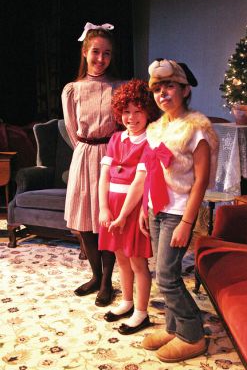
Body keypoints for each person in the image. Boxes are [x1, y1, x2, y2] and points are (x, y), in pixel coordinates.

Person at [139, 59, 219, 362]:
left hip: (178, 212)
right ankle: (173, 326)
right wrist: (143, 210)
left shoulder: (196, 128)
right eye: (157, 89)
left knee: (168, 276)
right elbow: (151, 171)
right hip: (156, 208)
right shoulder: (157, 128)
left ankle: (192, 335)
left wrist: (187, 221)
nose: (163, 93)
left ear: (185, 90)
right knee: (162, 271)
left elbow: (201, 181)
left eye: (169, 86)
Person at [62, 22, 123, 307]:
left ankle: (108, 281)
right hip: (84, 154)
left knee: (106, 221)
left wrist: (110, 155)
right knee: (84, 222)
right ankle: (96, 276)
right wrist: (87, 152)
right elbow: (73, 130)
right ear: (85, 52)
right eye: (96, 52)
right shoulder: (72, 90)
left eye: (107, 54)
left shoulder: (118, 87)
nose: (101, 59)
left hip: (111, 157)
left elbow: (126, 127)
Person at [98, 79, 160, 334]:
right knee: (121, 258)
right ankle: (126, 301)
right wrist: (103, 208)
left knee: (137, 263)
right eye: (126, 111)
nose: (131, 117)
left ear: (148, 112)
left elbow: (139, 182)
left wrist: (123, 215)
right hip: (112, 206)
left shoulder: (150, 141)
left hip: (132, 209)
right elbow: (104, 175)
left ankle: (142, 313)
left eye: (137, 111)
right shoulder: (115, 138)